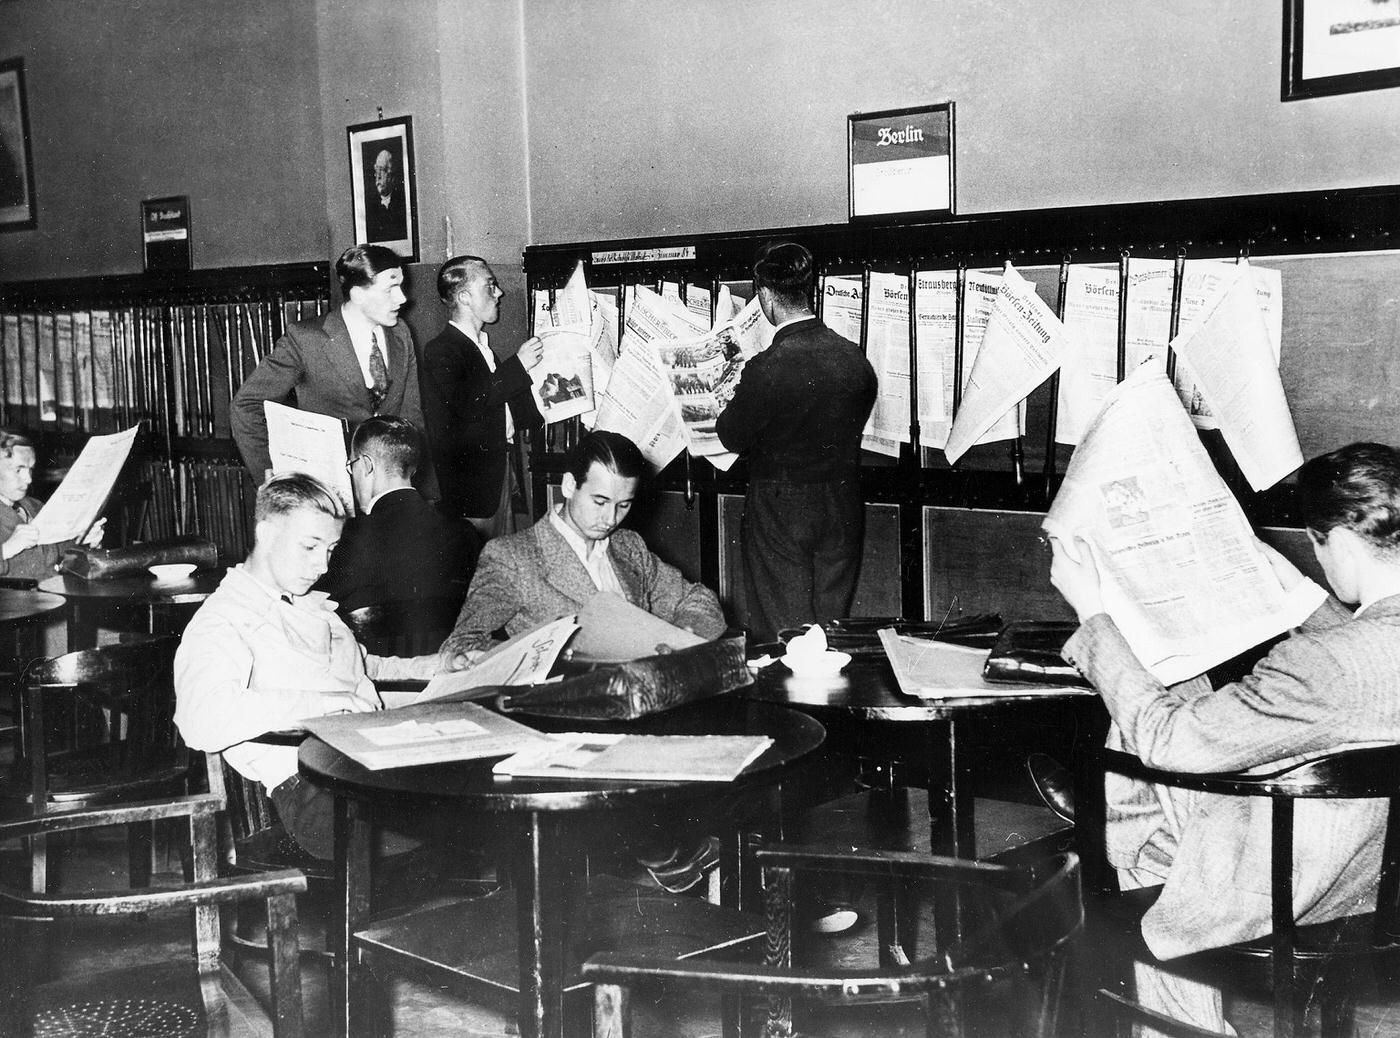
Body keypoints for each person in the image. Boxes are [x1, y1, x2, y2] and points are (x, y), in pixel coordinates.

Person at [1048, 441, 1400, 1035]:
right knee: (1183, 700)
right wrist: (1279, 581)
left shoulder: (1320, 666)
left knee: (1143, 825)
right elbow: (1368, 651)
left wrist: (1093, 615)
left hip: (1300, 887)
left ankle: (1179, 1025)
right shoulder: (1358, 651)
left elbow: (1169, 742)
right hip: (1377, 876)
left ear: (1337, 542)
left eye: (1316, 547)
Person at [173, 472, 440, 860]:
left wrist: (437, 667)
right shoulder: (225, 619)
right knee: (469, 816)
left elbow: (362, 670)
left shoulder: (301, 601)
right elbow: (201, 719)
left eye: (330, 550)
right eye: (309, 547)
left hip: (364, 764)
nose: (322, 566)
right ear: (265, 534)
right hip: (314, 792)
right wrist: (326, 704)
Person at [440, 429, 725, 659]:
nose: (610, 518)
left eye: (623, 505)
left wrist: (679, 638)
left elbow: (698, 598)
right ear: (568, 486)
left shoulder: (629, 547)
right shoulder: (514, 558)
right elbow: (462, 644)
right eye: (600, 501)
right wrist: (541, 657)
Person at [715, 240, 876, 643]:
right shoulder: (854, 358)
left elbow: (730, 435)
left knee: (787, 631)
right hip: (842, 503)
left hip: (781, 506)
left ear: (766, 296)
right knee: (831, 627)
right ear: (809, 290)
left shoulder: (768, 367)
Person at [230, 244, 432, 497]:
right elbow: (246, 405)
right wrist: (270, 473)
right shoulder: (306, 339)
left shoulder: (401, 333)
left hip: (389, 490)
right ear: (358, 294)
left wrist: (412, 483)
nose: (402, 298)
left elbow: (411, 414)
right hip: (328, 494)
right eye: (390, 289)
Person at [420, 255, 543, 539]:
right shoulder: (442, 350)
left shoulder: (483, 348)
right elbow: (470, 404)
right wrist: (518, 365)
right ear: (464, 297)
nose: (498, 293)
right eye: (490, 285)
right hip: (473, 491)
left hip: (500, 475)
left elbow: (503, 408)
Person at [319, 415, 479, 612]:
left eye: (352, 466)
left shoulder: (348, 537)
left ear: (367, 465)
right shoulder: (464, 533)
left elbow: (315, 599)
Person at [0, 430, 104, 581]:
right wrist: (6, 550)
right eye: (18, 470)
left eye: (30, 469)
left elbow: (64, 555)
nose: (28, 479)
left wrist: (84, 541)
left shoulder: (35, 506)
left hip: (53, 596)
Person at [364, 148, 406, 243]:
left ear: (391, 175)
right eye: (376, 171)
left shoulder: (402, 204)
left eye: (382, 170)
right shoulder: (370, 208)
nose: (377, 176)